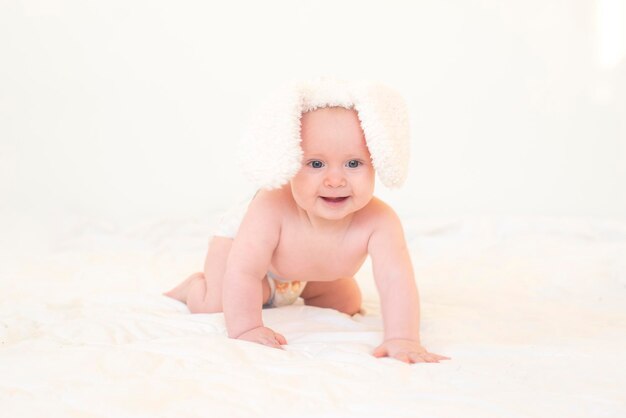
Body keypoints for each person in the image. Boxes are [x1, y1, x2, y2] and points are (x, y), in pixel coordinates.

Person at [164, 78, 450, 364]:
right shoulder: (270, 205)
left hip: (304, 273)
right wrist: (248, 328)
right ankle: (194, 287)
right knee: (218, 302)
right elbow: (244, 271)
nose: (335, 180)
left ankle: (296, 289)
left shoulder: (380, 221)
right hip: (242, 252)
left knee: (346, 304)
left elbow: (395, 280)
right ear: (290, 162)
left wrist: (403, 337)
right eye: (315, 164)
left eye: (353, 164)